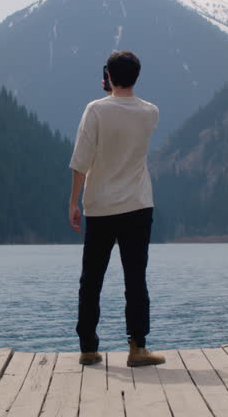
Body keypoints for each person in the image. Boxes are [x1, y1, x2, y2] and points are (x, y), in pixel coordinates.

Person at [68, 50, 166, 367]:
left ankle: (88, 348)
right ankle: (137, 347)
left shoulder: (95, 110)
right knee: (135, 279)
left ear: (107, 75)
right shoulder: (150, 112)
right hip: (138, 205)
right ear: (136, 76)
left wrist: (73, 201)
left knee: (91, 280)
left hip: (100, 207)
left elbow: (81, 160)